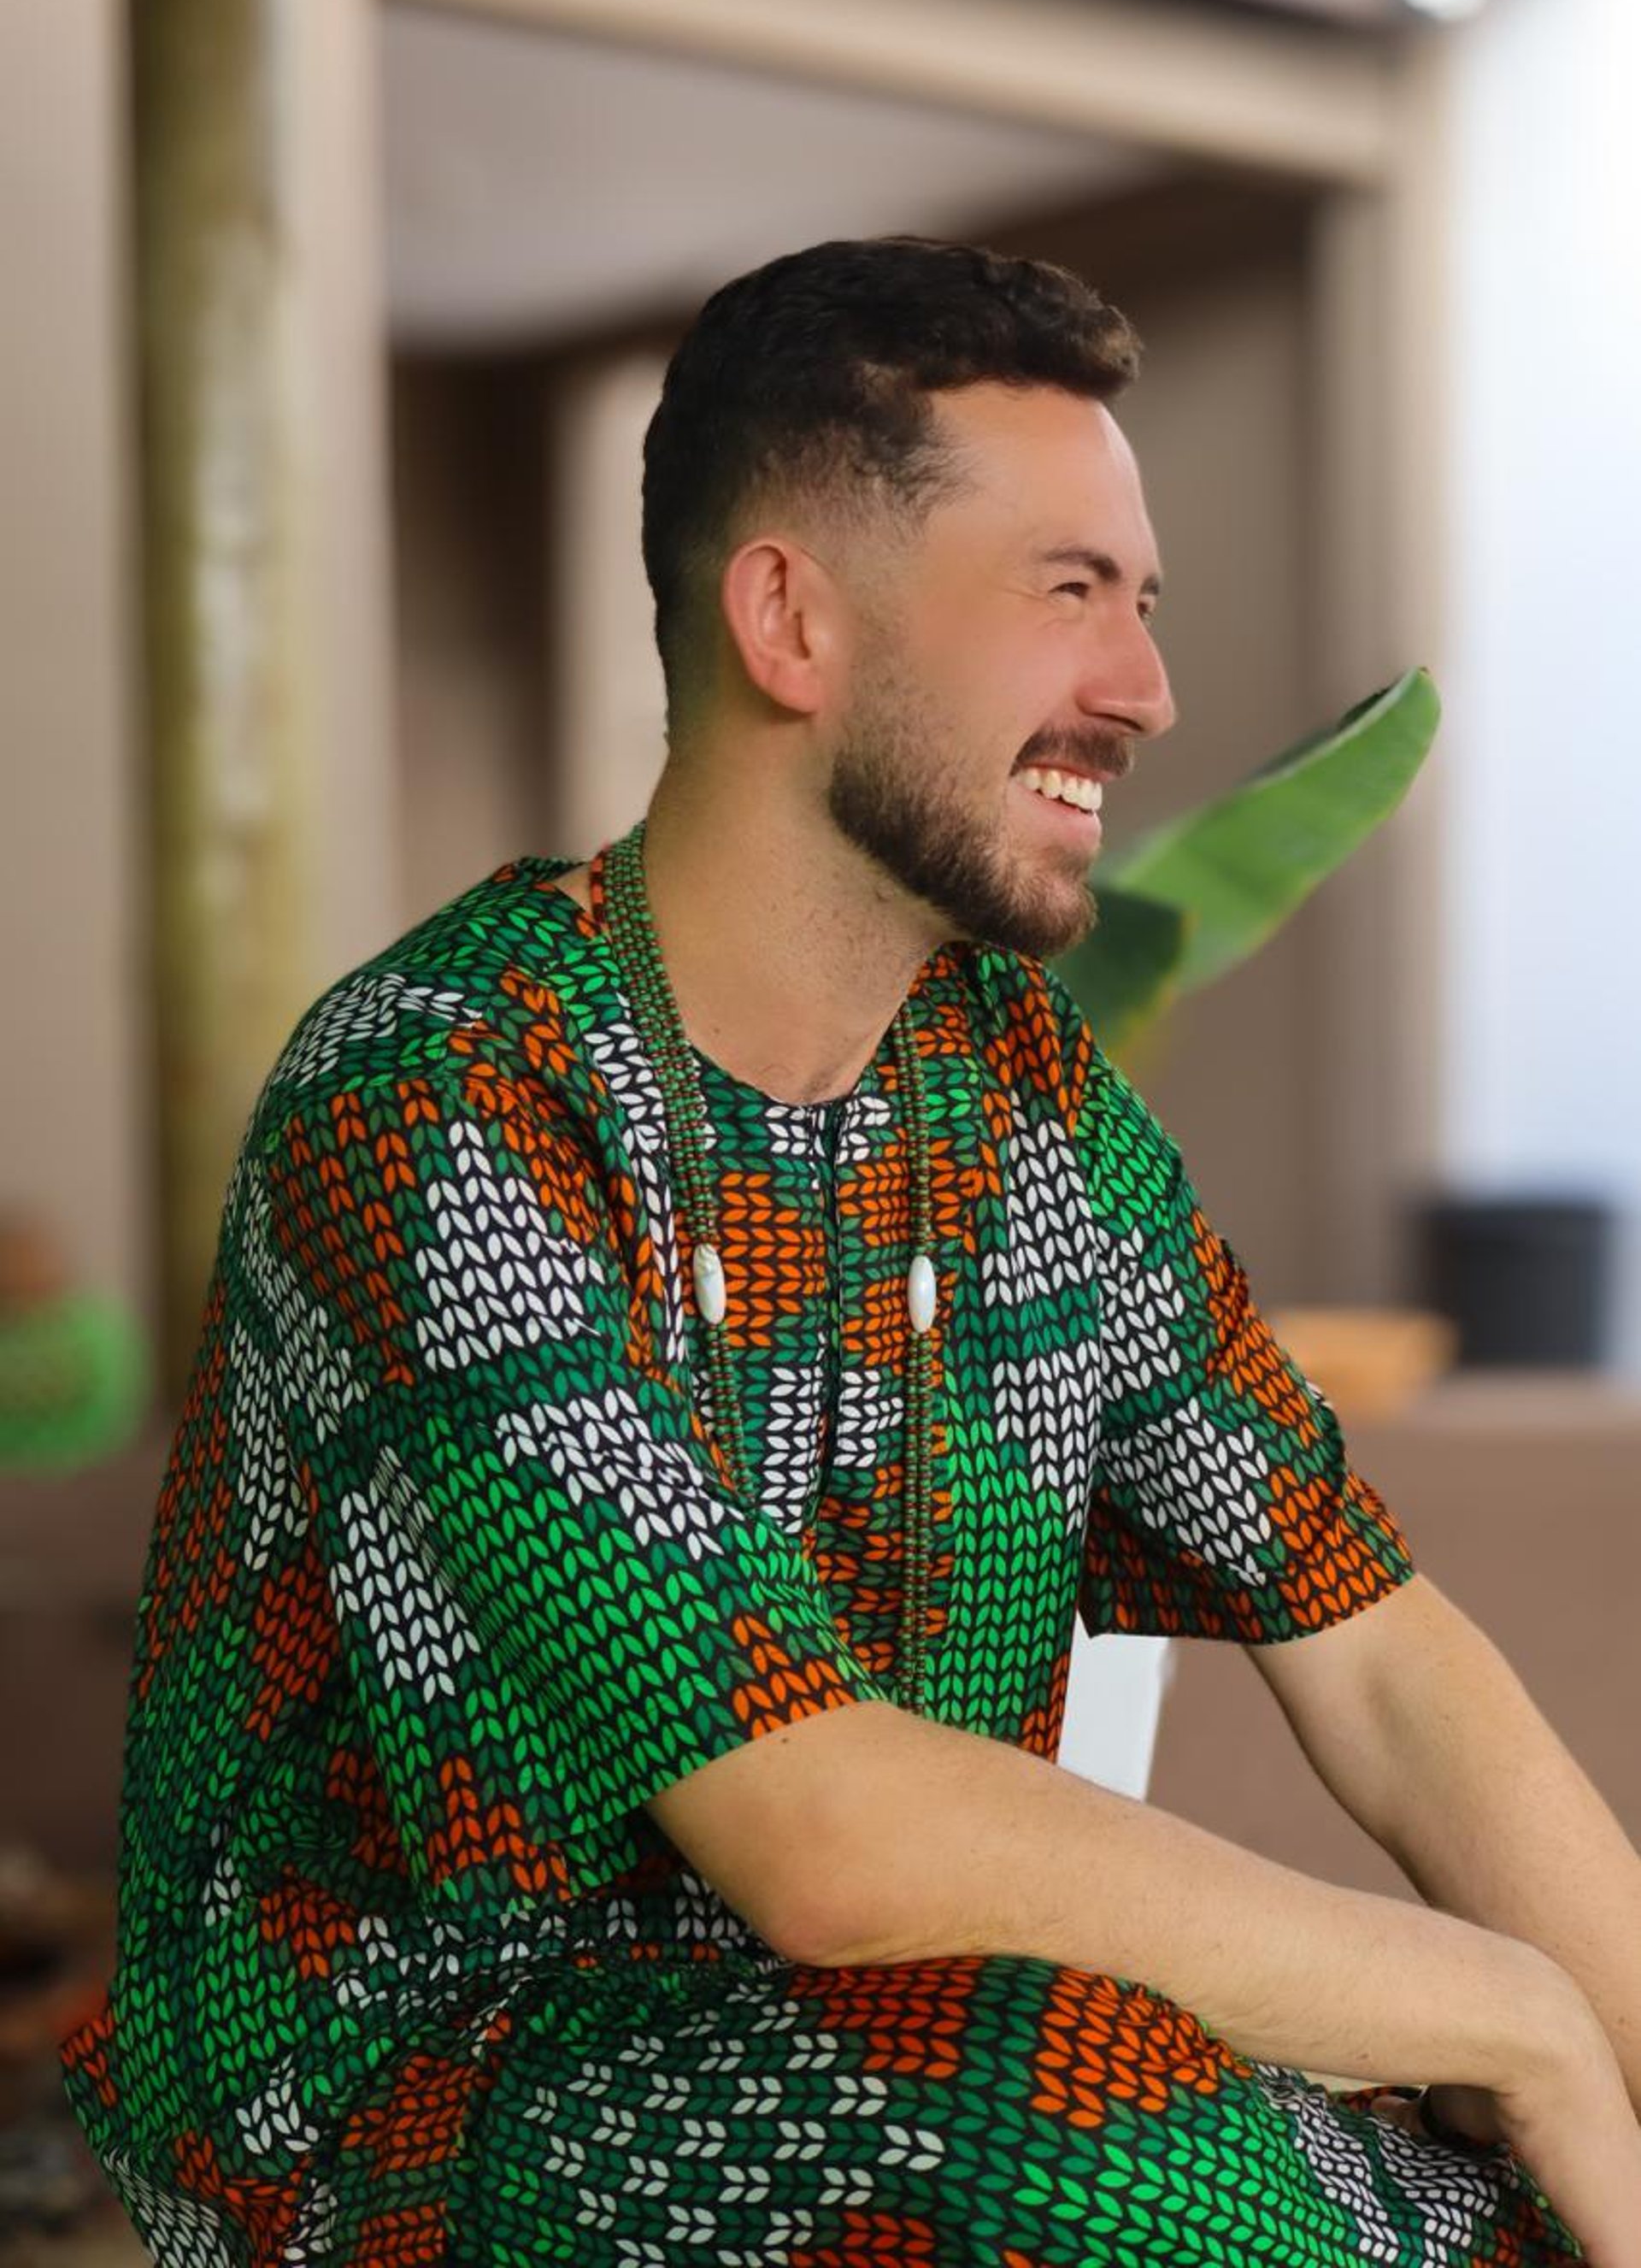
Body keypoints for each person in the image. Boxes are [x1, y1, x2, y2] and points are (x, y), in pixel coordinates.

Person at [60, 236, 1641, 2267]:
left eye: (1143, 604)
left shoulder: (1025, 1095)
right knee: (1095, 2123)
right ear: (791, 618)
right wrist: (1501, 2007)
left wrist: (1596, 2047)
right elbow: (818, 1836)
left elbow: (1383, 1654)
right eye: (1068, 591)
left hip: (901, 2037)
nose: (1146, 688)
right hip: (412, 2097)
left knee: (1464, 2161)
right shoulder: (440, 1087)